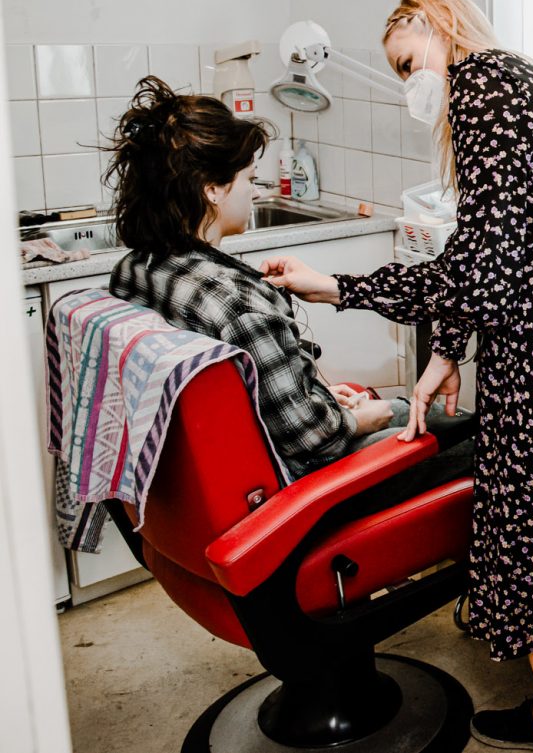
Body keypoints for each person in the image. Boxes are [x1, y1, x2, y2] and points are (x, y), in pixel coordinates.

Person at [261, 0, 533, 753]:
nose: (409, 82)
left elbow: (479, 266)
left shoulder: (480, 86)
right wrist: (445, 352)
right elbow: (497, 249)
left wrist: (341, 287)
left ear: (435, 22)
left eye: (407, 60)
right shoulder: (515, 80)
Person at [103, 77, 474, 497]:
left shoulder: (133, 271)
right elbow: (316, 440)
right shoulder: (238, 305)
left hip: (219, 479)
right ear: (211, 189)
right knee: (468, 438)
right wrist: (360, 417)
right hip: (301, 492)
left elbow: (250, 399)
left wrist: (319, 398)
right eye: (248, 179)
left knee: (415, 413)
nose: (255, 193)